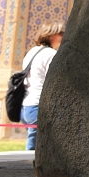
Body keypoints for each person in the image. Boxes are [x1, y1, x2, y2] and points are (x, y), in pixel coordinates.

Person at [20, 22, 64, 151]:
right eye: (61, 33)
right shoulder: (50, 54)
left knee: (35, 143)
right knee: (38, 148)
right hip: (40, 105)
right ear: (51, 35)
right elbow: (54, 80)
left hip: (27, 106)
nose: (64, 36)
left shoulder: (32, 52)